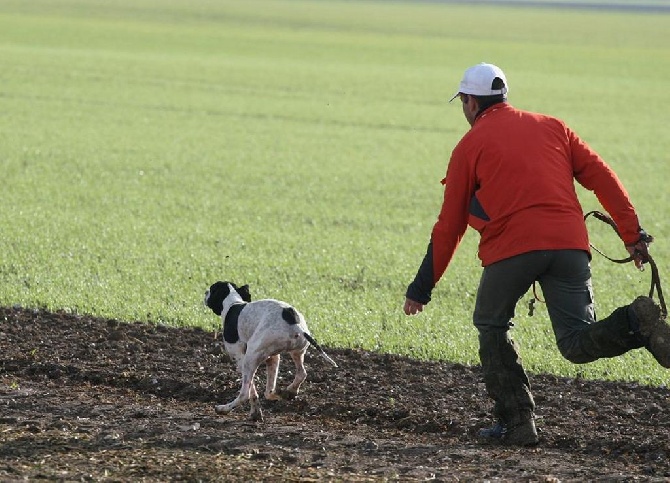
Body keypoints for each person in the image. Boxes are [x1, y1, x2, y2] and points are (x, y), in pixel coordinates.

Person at [403, 62, 670, 446]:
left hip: (513, 249)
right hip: (568, 246)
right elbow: (602, 176)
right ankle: (635, 322)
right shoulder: (553, 127)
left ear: (471, 102)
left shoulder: (469, 146)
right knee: (576, 343)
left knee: (492, 324)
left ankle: (518, 424)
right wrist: (632, 234)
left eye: (463, 102)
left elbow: (450, 226)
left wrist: (421, 287)